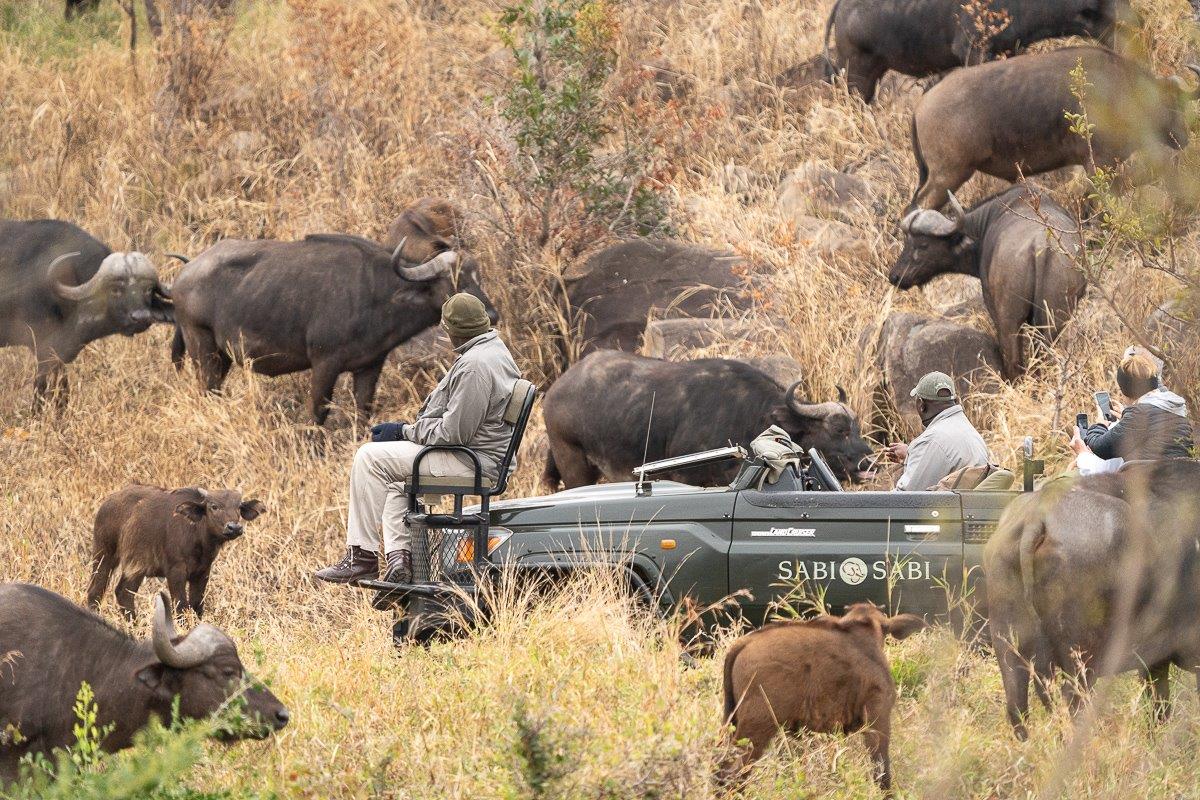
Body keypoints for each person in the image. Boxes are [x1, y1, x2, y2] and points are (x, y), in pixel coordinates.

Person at [313, 293, 521, 586]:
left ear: (451, 330)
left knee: (369, 458)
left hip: (472, 462)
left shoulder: (476, 365)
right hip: (477, 456)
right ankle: (400, 562)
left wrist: (404, 431)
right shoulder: (493, 351)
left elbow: (453, 434)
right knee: (395, 478)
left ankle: (361, 558)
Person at [1081, 346, 1193, 465]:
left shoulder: (1138, 415)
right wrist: (1126, 415)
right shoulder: (1176, 408)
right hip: (1182, 480)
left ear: (1126, 391)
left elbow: (1101, 448)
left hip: (1153, 481)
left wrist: (1100, 424)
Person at [886, 372, 991, 491]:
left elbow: (905, 497)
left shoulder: (931, 440)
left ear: (921, 405)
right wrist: (911, 455)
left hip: (948, 508)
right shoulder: (970, 432)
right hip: (967, 506)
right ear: (954, 400)